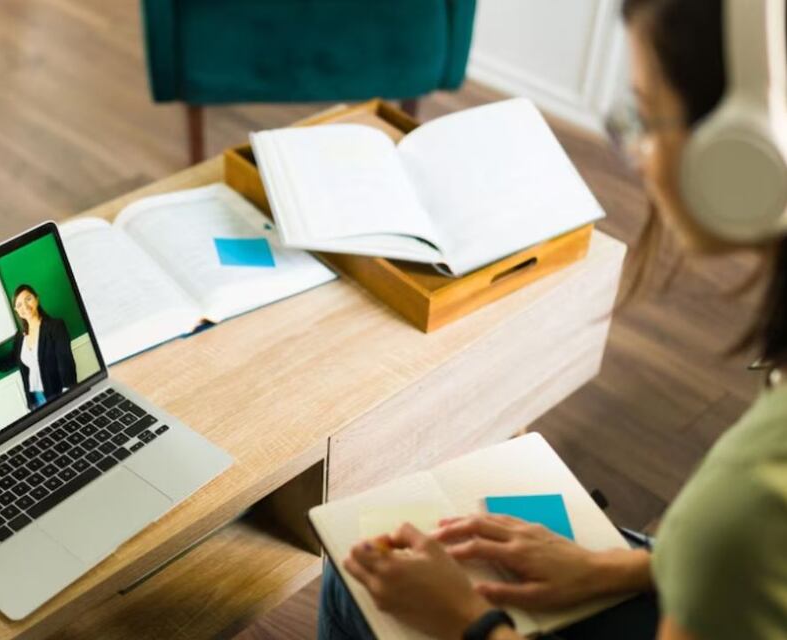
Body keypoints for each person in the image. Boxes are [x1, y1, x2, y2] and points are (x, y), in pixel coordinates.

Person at [319, 1, 787, 639]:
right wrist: (620, 567)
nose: (638, 154)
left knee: (356, 574)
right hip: (688, 577)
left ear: (741, 154)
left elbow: (744, 551)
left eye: (645, 117)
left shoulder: (749, 508)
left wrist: (470, 623)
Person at [0, 284, 77, 410]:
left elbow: (66, 363)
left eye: (28, 299)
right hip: (35, 400)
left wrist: (68, 396)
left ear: (36, 299)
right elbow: (5, 364)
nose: (25, 306)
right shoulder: (20, 338)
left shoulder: (55, 327)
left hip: (58, 395)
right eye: (19, 305)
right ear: (17, 311)